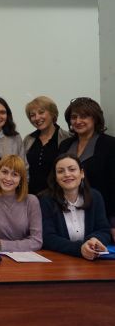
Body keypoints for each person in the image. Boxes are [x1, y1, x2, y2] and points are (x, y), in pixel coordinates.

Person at [59, 97, 115, 241]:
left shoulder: (110, 145)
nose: (78, 121)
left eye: (84, 116)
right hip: (69, 214)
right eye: (74, 117)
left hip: (101, 216)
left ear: (95, 118)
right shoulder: (65, 145)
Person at [40, 154, 110, 259]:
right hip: (59, 260)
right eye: (60, 171)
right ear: (56, 177)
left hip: (91, 260)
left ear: (82, 173)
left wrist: (93, 241)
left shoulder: (95, 197)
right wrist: (79, 249)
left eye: (72, 169)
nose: (67, 174)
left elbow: (104, 230)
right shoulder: (46, 200)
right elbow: (48, 237)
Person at [0, 155, 42, 252]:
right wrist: (23, 244)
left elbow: (36, 241)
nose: (8, 178)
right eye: (4, 172)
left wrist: (1, 245)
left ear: (21, 179)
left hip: (25, 258)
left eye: (14, 174)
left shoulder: (32, 201)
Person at [23, 96, 70, 195]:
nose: (37, 118)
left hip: (58, 197)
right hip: (30, 197)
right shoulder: (28, 139)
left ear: (52, 113)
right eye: (32, 115)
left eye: (41, 112)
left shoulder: (67, 138)